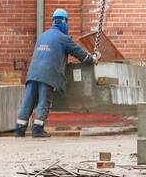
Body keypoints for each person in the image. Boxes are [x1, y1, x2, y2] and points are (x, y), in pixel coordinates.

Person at [15, 9, 94, 138]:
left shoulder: (43, 36)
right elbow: (80, 54)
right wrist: (92, 59)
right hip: (48, 74)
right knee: (43, 101)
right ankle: (37, 129)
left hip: (33, 73)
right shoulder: (63, 38)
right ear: (64, 22)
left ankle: (19, 129)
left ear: (53, 21)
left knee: (28, 100)